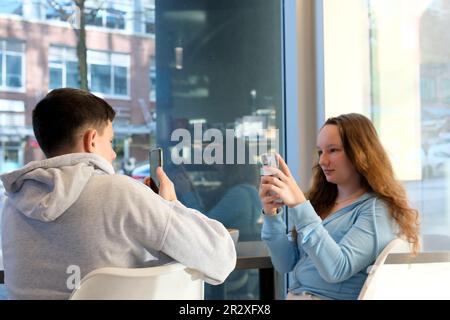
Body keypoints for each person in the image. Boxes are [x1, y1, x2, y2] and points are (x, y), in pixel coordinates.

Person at [0, 88, 236, 299]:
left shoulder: (12, 205)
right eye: (111, 141)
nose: (113, 154)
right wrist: (171, 204)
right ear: (91, 140)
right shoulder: (121, 193)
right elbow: (220, 258)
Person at [259, 113, 420, 300]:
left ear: (360, 153)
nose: (322, 161)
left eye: (333, 150)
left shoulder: (376, 210)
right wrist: (271, 214)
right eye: (320, 152)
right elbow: (286, 263)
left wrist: (299, 205)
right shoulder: (323, 203)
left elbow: (337, 269)